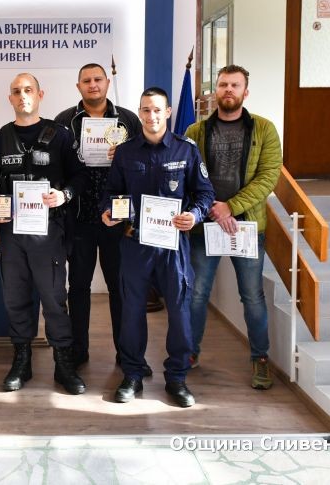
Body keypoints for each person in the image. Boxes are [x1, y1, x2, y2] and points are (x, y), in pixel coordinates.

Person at [101, 87, 214, 408]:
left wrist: (194, 215)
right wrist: (108, 211)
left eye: (156, 110)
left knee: (179, 312)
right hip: (135, 243)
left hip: (172, 246)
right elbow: (112, 192)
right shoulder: (126, 153)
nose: (151, 116)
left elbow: (205, 193)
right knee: (132, 312)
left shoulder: (185, 150)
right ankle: (132, 374)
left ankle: (177, 378)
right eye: (145, 110)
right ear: (140, 113)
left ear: (167, 113)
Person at [0, 73, 88, 395]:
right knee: (15, 299)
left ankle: (63, 363)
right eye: (16, 91)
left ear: (40, 94)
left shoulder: (61, 136)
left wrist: (64, 195)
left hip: (48, 232)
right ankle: (22, 361)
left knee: (54, 299)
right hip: (12, 233)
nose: (22, 95)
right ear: (10, 98)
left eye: (28, 90)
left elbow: (80, 176)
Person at [185, 64, 283, 390]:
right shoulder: (195, 131)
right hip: (205, 226)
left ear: (245, 92)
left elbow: (268, 177)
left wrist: (231, 207)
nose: (228, 90)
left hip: (247, 227)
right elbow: (187, 176)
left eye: (235, 85)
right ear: (216, 91)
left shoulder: (265, 130)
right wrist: (212, 208)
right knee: (196, 294)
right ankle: (189, 352)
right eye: (223, 84)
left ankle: (260, 358)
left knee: (252, 296)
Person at [53, 63, 148, 372]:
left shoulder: (128, 120)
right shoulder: (64, 121)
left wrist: (125, 157)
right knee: (78, 287)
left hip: (117, 219)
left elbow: (145, 163)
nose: (92, 84)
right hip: (79, 218)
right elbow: (55, 167)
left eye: (97, 79)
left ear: (107, 83)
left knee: (120, 288)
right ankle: (78, 350)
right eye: (86, 80)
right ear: (78, 86)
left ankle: (127, 352)